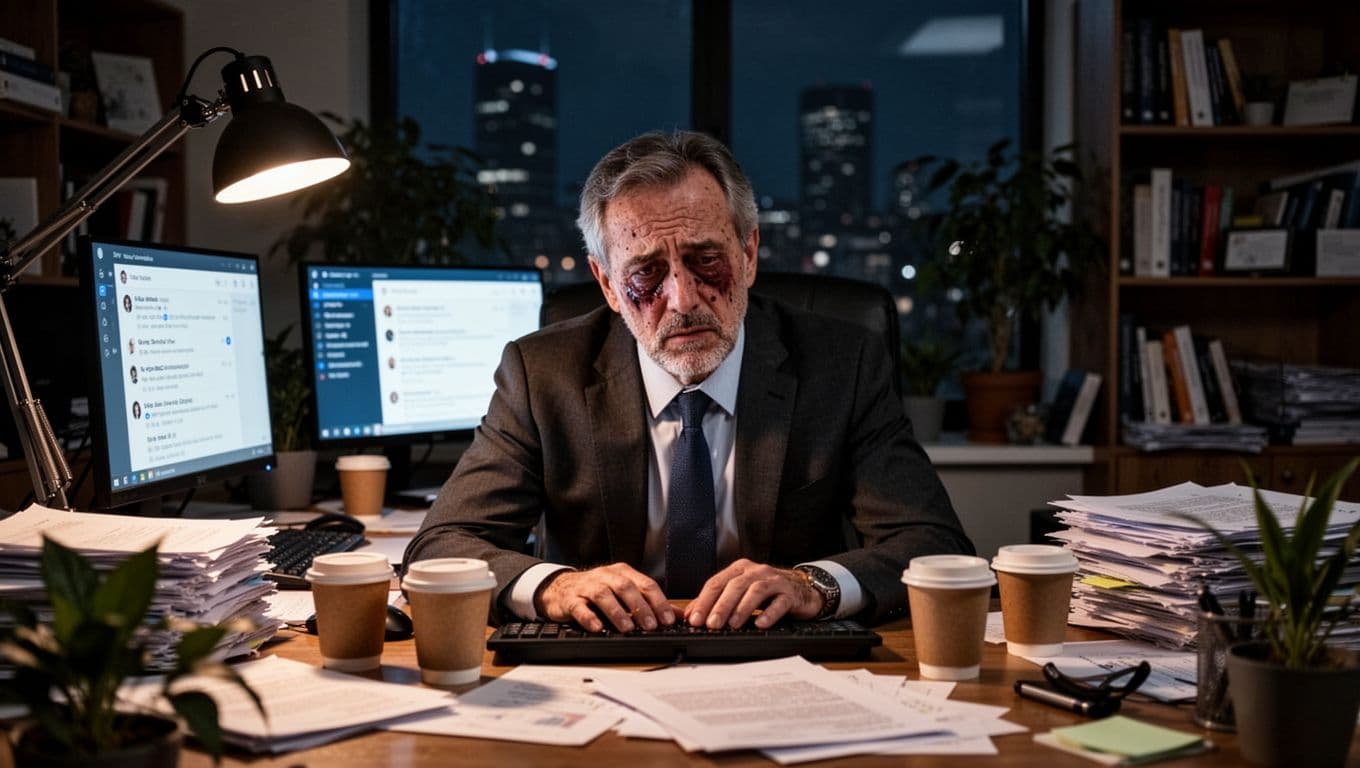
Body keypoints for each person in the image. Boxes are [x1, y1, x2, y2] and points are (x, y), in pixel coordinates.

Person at [404, 130, 972, 634]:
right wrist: (553, 587)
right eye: (645, 274)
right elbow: (439, 547)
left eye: (706, 260)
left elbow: (935, 544)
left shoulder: (840, 364)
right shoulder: (542, 374)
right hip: (601, 668)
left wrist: (814, 585)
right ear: (606, 285)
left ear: (748, 254)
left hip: (783, 662)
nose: (682, 299)